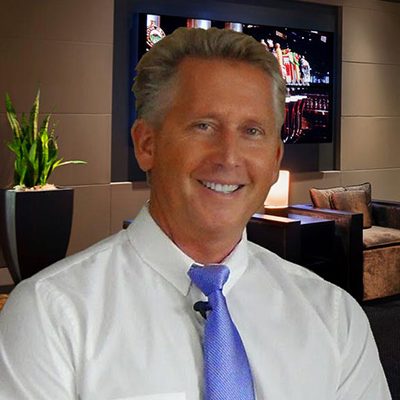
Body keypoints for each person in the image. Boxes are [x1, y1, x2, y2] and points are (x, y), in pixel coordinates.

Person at [0, 27, 391, 400]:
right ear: (146, 144)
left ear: (275, 159)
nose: (229, 157)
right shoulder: (50, 316)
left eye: (252, 131)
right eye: (203, 126)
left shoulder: (335, 319)